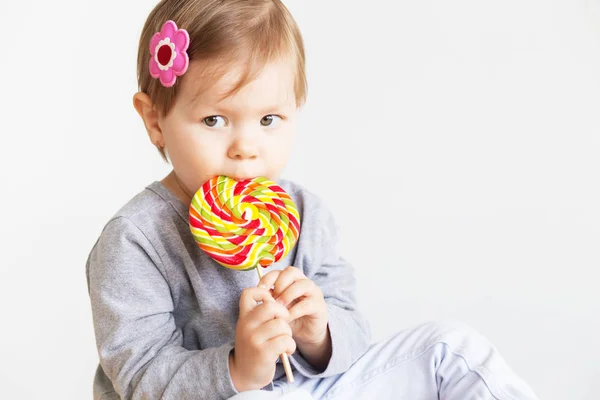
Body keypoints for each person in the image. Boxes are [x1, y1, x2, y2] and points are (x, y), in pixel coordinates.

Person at [86, 1, 539, 399]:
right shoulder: (135, 240)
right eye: (214, 119)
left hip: (318, 387)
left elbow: (355, 328)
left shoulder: (302, 215)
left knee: (451, 349)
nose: (246, 146)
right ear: (155, 120)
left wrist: (318, 333)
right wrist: (238, 369)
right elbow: (139, 376)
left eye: (269, 118)